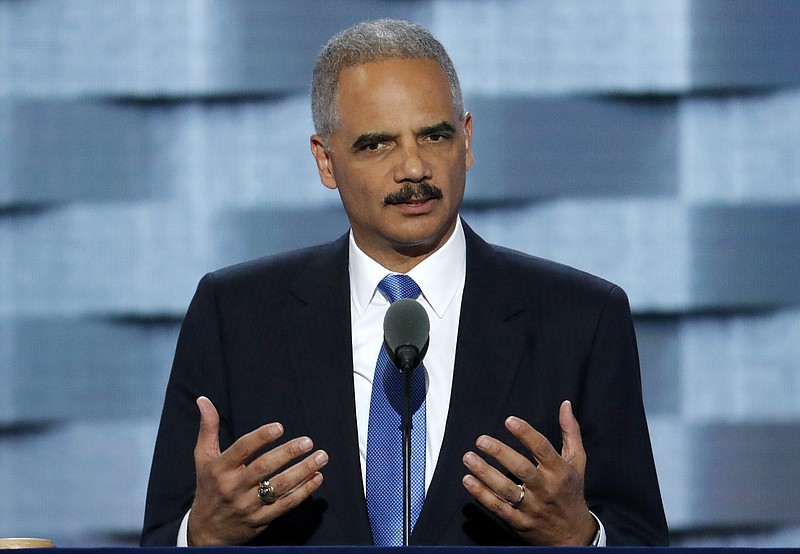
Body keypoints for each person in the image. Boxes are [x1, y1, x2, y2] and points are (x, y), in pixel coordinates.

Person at [140, 18, 668, 547]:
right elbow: (163, 536)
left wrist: (582, 536)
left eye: (434, 136)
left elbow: (641, 537)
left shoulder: (582, 317)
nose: (413, 168)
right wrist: (203, 535)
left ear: (466, 141)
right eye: (377, 145)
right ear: (326, 161)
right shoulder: (234, 315)